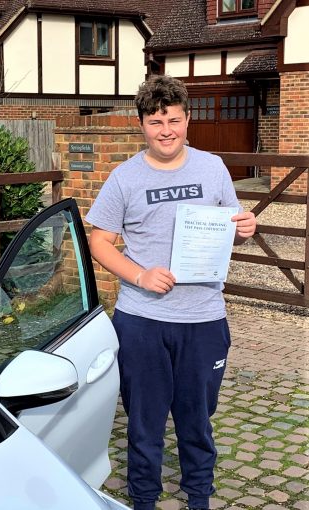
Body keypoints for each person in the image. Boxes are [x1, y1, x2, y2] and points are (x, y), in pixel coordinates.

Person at [84, 74, 257, 510]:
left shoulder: (212, 167)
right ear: (142, 124)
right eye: (156, 121)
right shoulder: (124, 177)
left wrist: (246, 228)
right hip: (142, 320)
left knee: (197, 420)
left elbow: (231, 227)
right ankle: (144, 498)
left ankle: (198, 495)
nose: (167, 131)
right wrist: (140, 275)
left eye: (174, 120)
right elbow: (99, 242)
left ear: (187, 120)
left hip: (203, 319)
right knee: (144, 422)